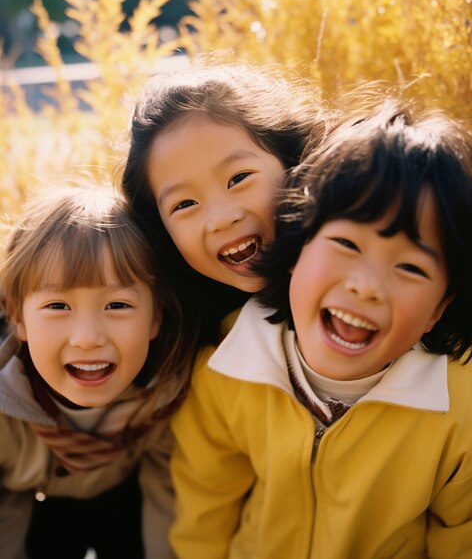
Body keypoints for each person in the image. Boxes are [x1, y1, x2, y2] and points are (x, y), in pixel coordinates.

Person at [169, 95, 472, 559]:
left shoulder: (459, 411)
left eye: (410, 268)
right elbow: (205, 511)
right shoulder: (226, 368)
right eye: (346, 243)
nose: (367, 286)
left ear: (438, 308)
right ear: (294, 250)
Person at [0, 184, 184, 559]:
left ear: (156, 317)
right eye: (57, 306)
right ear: (18, 318)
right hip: (37, 505)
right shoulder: (6, 406)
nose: (86, 339)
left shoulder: (167, 393)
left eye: (117, 304)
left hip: (125, 499)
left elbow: (165, 492)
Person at [121, 62, 326, 355]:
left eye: (238, 179)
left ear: (292, 160)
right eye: (185, 204)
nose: (220, 219)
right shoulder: (200, 359)